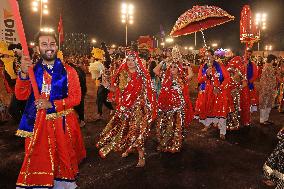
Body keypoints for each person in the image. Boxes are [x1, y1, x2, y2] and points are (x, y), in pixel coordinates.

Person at [15, 31, 86, 188]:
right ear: (37, 48)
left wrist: (53, 105)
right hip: (37, 124)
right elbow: (21, 96)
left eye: (52, 44)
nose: (49, 48)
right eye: (44, 44)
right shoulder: (32, 71)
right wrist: (23, 74)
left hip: (63, 124)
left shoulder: (69, 71)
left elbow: (76, 98)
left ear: (57, 46)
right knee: (39, 161)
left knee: (63, 163)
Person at [96, 50, 156, 167]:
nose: (130, 62)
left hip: (138, 108)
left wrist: (145, 105)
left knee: (137, 131)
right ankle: (129, 149)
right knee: (126, 130)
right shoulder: (122, 73)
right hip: (125, 108)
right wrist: (107, 85)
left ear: (137, 61)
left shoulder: (143, 75)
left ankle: (141, 155)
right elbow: (117, 90)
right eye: (128, 60)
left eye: (133, 60)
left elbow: (149, 91)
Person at [154, 46, 193, 152]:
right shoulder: (164, 77)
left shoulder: (182, 78)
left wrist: (187, 64)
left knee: (176, 126)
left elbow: (191, 74)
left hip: (178, 107)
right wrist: (164, 61)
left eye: (174, 67)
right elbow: (155, 70)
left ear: (178, 69)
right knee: (165, 125)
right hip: (166, 106)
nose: (172, 69)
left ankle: (175, 144)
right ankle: (164, 143)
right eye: (171, 67)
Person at [195, 49, 230, 140]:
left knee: (220, 111)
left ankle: (222, 131)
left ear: (213, 56)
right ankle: (207, 124)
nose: (208, 58)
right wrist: (206, 74)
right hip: (206, 92)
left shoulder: (220, 66)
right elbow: (199, 80)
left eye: (209, 56)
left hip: (218, 93)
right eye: (206, 56)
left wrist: (219, 88)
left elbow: (227, 79)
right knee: (207, 108)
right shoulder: (203, 67)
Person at [239, 49, 258, 126]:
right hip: (239, 87)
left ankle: (246, 120)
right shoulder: (239, 63)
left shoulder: (252, 64)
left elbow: (255, 75)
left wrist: (248, 82)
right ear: (244, 54)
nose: (247, 55)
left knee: (247, 105)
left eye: (249, 54)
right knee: (238, 104)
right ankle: (238, 120)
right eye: (246, 53)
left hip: (248, 87)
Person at [259, 54, 277, 125]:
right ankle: (263, 120)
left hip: (266, 89)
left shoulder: (266, 66)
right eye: (274, 60)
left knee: (267, 104)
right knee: (265, 104)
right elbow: (269, 80)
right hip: (267, 89)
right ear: (272, 60)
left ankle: (264, 119)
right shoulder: (268, 67)